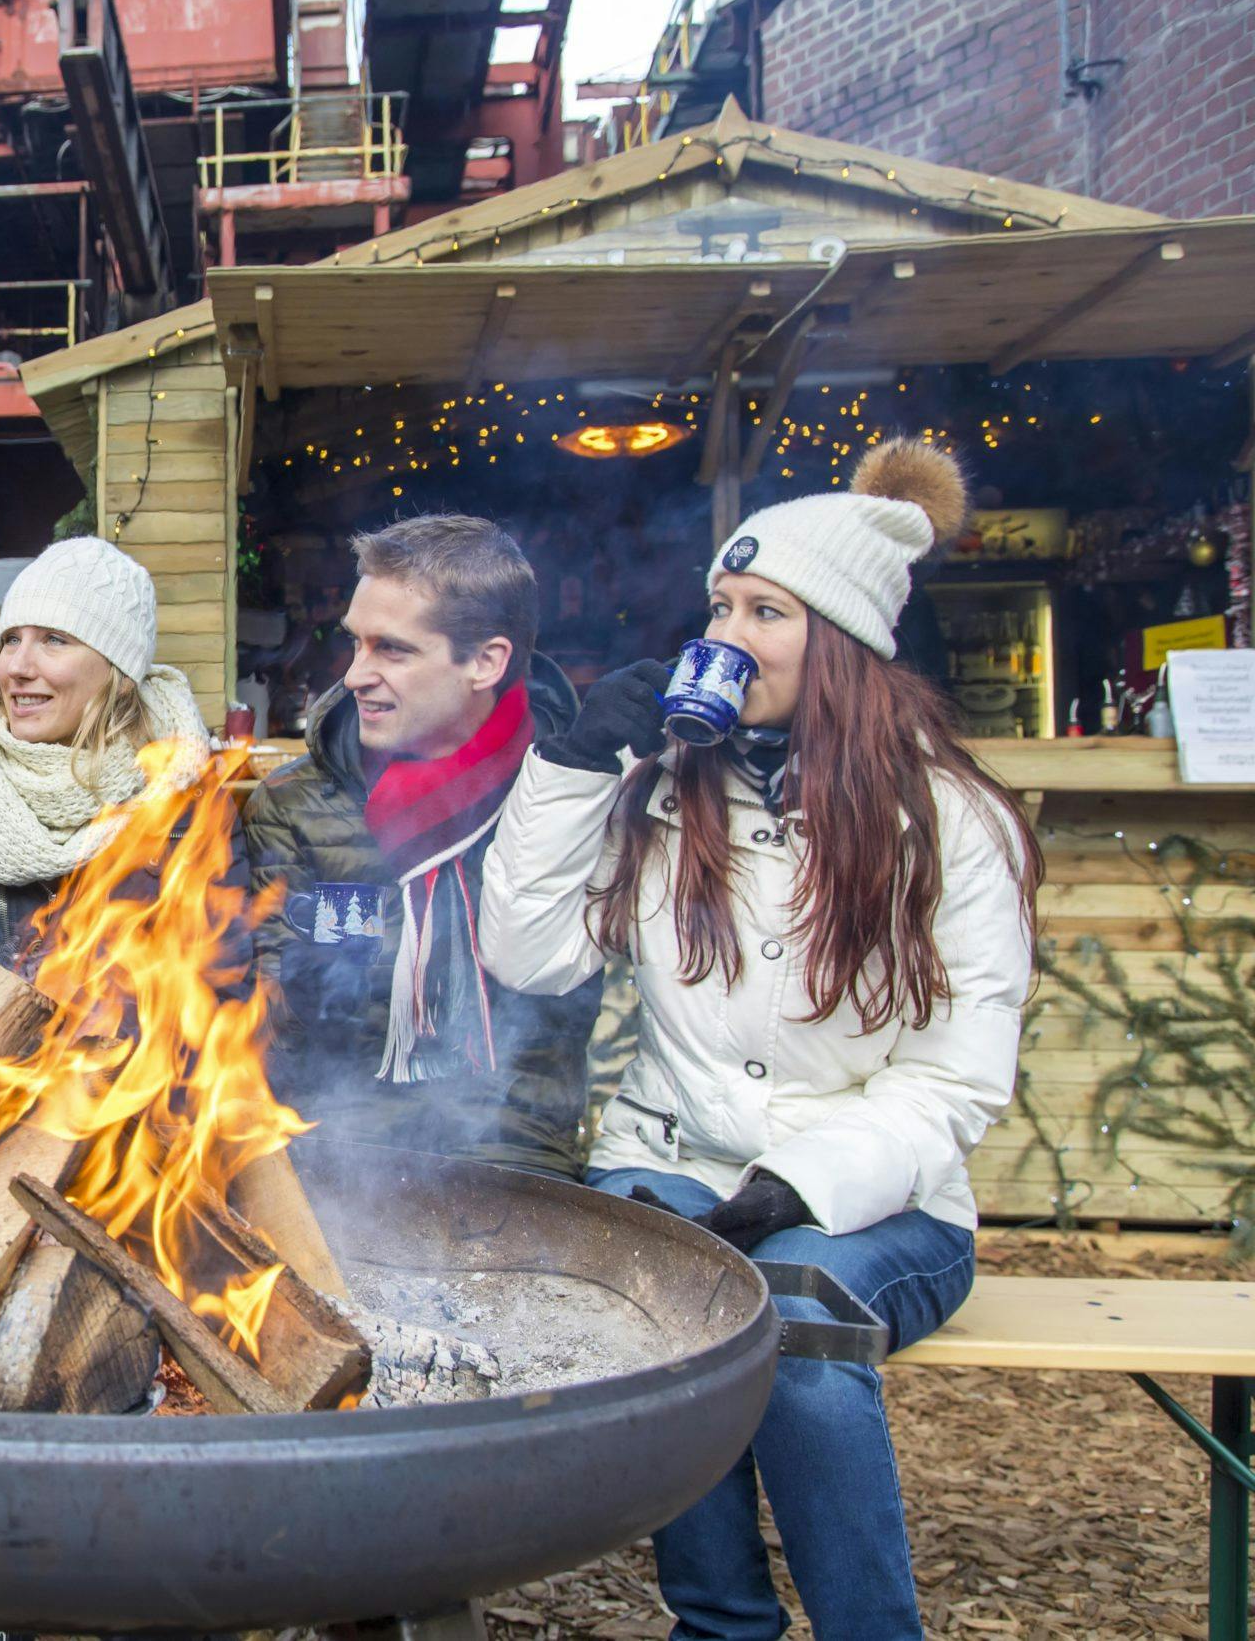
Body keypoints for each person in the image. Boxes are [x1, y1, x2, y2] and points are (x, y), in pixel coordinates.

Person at [479, 441, 1040, 1639]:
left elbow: (955, 1079)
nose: (726, 635)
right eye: (719, 608)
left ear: (837, 640)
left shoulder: (947, 823)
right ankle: (720, 1627)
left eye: (763, 612)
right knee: (660, 1300)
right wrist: (572, 770)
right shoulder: (669, 795)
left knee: (784, 1307)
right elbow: (529, 957)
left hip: (880, 1202)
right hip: (676, 1151)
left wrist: (797, 1182)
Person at [240, 515, 596, 1176]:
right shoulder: (293, 805)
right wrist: (298, 989)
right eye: (356, 644)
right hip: (338, 1146)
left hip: (516, 1154)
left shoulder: (568, 795)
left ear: (485, 661)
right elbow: (270, 1044)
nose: (354, 675)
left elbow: (578, 1035)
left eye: (392, 650)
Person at [0, 535, 213, 1014]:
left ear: (118, 674)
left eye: (54, 640)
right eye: (11, 639)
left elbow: (212, 989)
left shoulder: (178, 782)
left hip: (127, 1081)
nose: (16, 666)